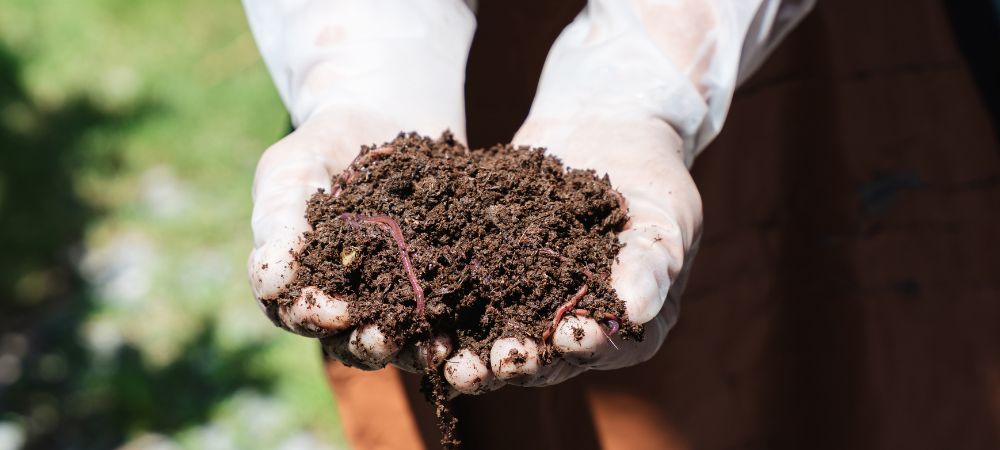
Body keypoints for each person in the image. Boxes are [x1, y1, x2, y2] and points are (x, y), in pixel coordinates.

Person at [243, 1, 1000, 449]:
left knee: (843, 370)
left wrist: (656, 75)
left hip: (795, 62)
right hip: (483, 52)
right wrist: (360, 62)